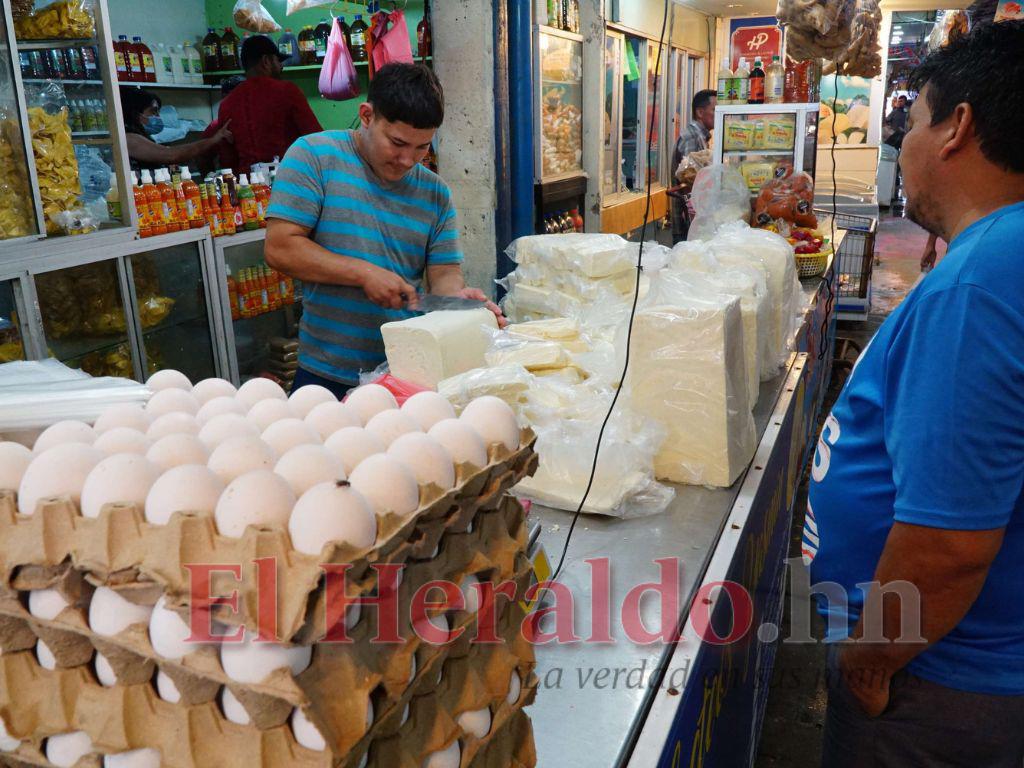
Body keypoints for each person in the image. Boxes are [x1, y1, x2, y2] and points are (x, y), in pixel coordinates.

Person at [805, 20, 1024, 768]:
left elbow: (950, 543)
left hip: (943, 689)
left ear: (957, 127)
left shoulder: (983, 280)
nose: (903, 144)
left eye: (914, 120)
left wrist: (869, 663)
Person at [265, 63, 503, 397]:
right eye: (397, 142)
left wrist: (456, 301)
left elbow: (445, 273)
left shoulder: (435, 194)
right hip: (326, 372)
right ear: (366, 116)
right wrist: (363, 273)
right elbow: (280, 248)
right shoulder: (314, 157)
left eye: (422, 148)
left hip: (407, 374)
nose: (408, 160)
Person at [203, 35, 322, 175]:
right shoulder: (287, 91)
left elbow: (227, 159)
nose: (281, 66)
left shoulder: (227, 104)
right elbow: (317, 140)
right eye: (278, 61)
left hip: (248, 189)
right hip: (290, 181)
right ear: (266, 61)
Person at [120, 87, 232, 173]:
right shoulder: (130, 139)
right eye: (153, 111)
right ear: (136, 114)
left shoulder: (143, 137)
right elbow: (170, 155)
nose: (158, 117)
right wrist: (213, 140)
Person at [670, 89, 716, 243]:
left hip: (696, 223)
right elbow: (690, 180)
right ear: (700, 112)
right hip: (689, 224)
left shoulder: (701, 137)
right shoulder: (691, 137)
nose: (719, 113)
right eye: (715, 110)